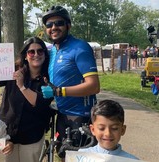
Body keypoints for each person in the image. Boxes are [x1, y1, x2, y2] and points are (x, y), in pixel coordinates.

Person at [41, 5, 100, 160]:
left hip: (81, 118)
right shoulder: (53, 50)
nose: (54, 27)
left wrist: (59, 91)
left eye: (59, 23)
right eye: (49, 25)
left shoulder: (80, 47)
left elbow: (94, 85)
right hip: (62, 116)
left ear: (68, 25)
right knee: (61, 157)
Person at [0, 37, 54, 162]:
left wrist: (22, 86)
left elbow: (40, 102)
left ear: (45, 55)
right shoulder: (12, 71)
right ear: (25, 56)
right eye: (31, 52)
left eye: (40, 51)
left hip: (32, 136)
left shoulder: (49, 78)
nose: (36, 55)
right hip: (6, 133)